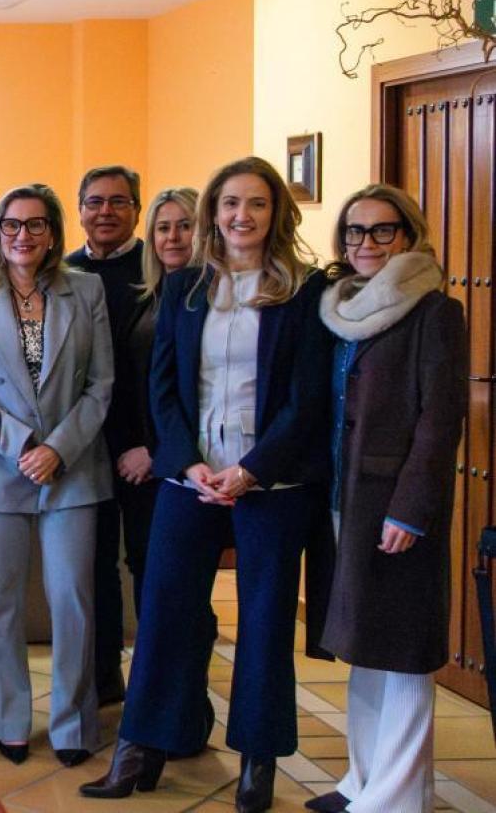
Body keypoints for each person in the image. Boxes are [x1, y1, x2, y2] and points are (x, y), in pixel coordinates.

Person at [83, 157, 332, 813]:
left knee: (265, 619)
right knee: (164, 609)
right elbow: (163, 386)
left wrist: (252, 470)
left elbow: (308, 400)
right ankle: (141, 747)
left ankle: (258, 760)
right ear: (213, 214)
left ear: (276, 212)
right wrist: (185, 461)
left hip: (272, 486)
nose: (240, 216)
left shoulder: (304, 290)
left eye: (254, 204)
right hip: (189, 479)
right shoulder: (188, 286)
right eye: (229, 204)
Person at [307, 186, 465, 813]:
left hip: (398, 509)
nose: (364, 244)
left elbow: (439, 419)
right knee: (364, 643)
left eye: (380, 231)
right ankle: (362, 780)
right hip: (348, 497)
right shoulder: (342, 308)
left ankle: (396, 798)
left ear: (409, 234)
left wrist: (411, 508)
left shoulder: (434, 311)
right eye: (353, 232)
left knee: (401, 650)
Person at [0, 184, 112, 768]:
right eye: (12, 225)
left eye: (36, 225)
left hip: (72, 469)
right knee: (2, 601)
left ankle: (72, 724)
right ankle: (7, 718)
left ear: (53, 233)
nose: (23, 235)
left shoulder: (86, 289)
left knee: (73, 599)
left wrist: (58, 450)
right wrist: (22, 445)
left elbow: (102, 385)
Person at [64, 165, 146, 705]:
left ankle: (160, 684)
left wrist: (150, 443)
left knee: (145, 562)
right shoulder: (64, 272)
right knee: (91, 565)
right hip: (82, 444)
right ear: (80, 210)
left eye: (119, 202)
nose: (106, 212)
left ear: (136, 209)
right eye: (95, 202)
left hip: (144, 445)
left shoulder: (158, 269)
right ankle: (102, 673)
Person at [108, 188, 201, 664]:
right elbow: (127, 383)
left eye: (184, 225)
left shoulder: (207, 297)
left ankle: (179, 697)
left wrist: (155, 450)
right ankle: (153, 684)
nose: (173, 237)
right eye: (163, 228)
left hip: (178, 466)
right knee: (146, 570)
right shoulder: (148, 297)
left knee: (175, 585)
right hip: (138, 462)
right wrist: (130, 445)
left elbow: (196, 396)